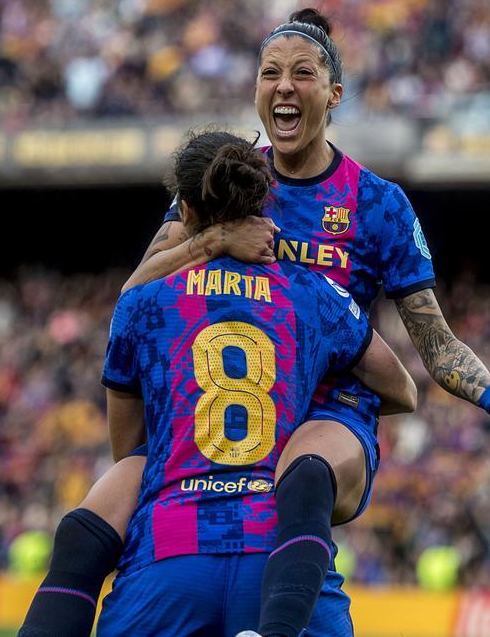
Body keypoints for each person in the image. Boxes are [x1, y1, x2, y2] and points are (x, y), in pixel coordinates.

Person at [20, 7, 490, 637]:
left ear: (335, 94)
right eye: (271, 73)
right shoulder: (232, 179)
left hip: (328, 408)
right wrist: (213, 242)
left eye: (304, 73)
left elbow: (433, 340)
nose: (285, 86)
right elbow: (140, 291)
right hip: (218, 418)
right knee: (99, 509)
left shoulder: (377, 203)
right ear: (256, 90)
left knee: (304, 472)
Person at [22, 130, 417, 636]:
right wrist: (317, 403)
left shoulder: (143, 301)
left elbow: (130, 449)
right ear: (263, 204)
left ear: (183, 211)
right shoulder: (312, 292)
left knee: (82, 533)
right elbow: (401, 390)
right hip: (277, 555)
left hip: (168, 559)